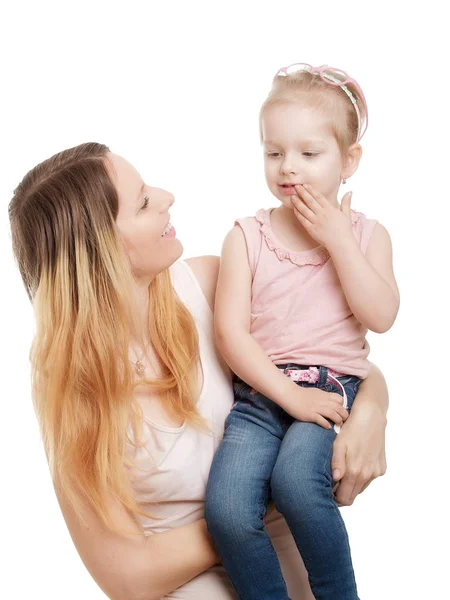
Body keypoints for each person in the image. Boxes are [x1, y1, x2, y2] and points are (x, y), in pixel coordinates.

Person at [8, 141, 389, 600]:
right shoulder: (66, 380)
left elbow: (328, 362)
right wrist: (254, 506)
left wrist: (372, 411)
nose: (167, 197)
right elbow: (127, 578)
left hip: (298, 566)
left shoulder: (211, 285)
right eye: (144, 201)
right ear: (104, 251)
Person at [204, 63, 399, 600]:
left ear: (349, 160)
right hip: (263, 393)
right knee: (226, 509)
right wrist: (286, 394)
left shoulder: (366, 235)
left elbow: (381, 315)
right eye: (273, 153)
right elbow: (230, 335)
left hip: (331, 388)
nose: (289, 168)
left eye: (310, 154)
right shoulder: (246, 236)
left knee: (296, 482)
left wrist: (339, 239)